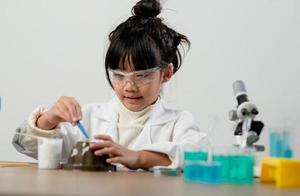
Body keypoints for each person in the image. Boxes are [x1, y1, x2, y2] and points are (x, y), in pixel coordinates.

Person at [12, 0, 205, 170]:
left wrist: (138, 158)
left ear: (166, 73)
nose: (129, 86)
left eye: (141, 76)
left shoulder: (178, 122)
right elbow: (26, 145)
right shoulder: (88, 119)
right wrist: (49, 119)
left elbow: (198, 154)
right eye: (119, 75)